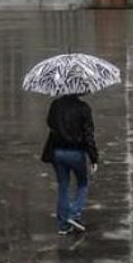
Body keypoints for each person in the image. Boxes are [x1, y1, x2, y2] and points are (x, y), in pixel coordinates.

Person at [42, 93, 98, 235]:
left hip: (57, 151)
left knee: (63, 186)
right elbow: (89, 134)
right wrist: (93, 157)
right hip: (76, 152)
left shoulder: (56, 105)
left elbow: (49, 122)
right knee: (83, 183)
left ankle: (63, 225)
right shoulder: (83, 108)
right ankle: (74, 215)